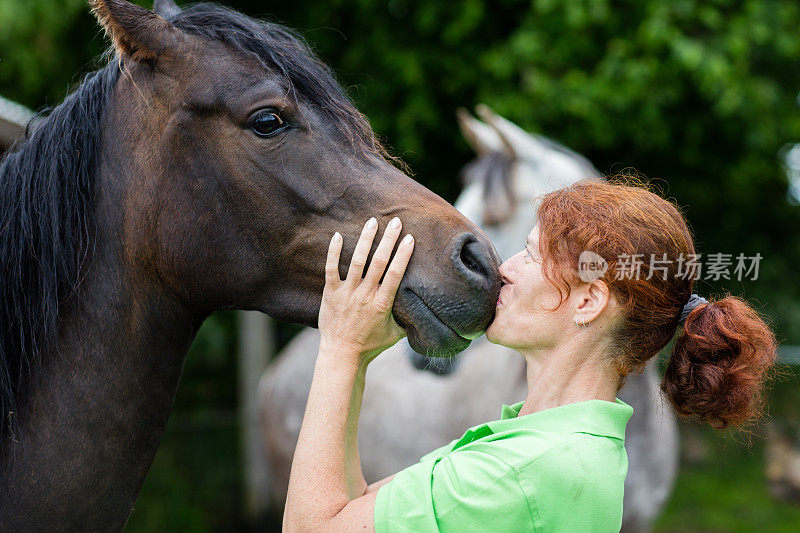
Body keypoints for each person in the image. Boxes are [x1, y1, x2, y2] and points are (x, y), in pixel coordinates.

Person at [282, 178, 777, 532]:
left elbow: (312, 527)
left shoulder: (520, 472)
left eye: (532, 254)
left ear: (588, 301)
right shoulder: (560, 450)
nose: (507, 269)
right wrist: (362, 360)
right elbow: (354, 507)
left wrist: (341, 346)